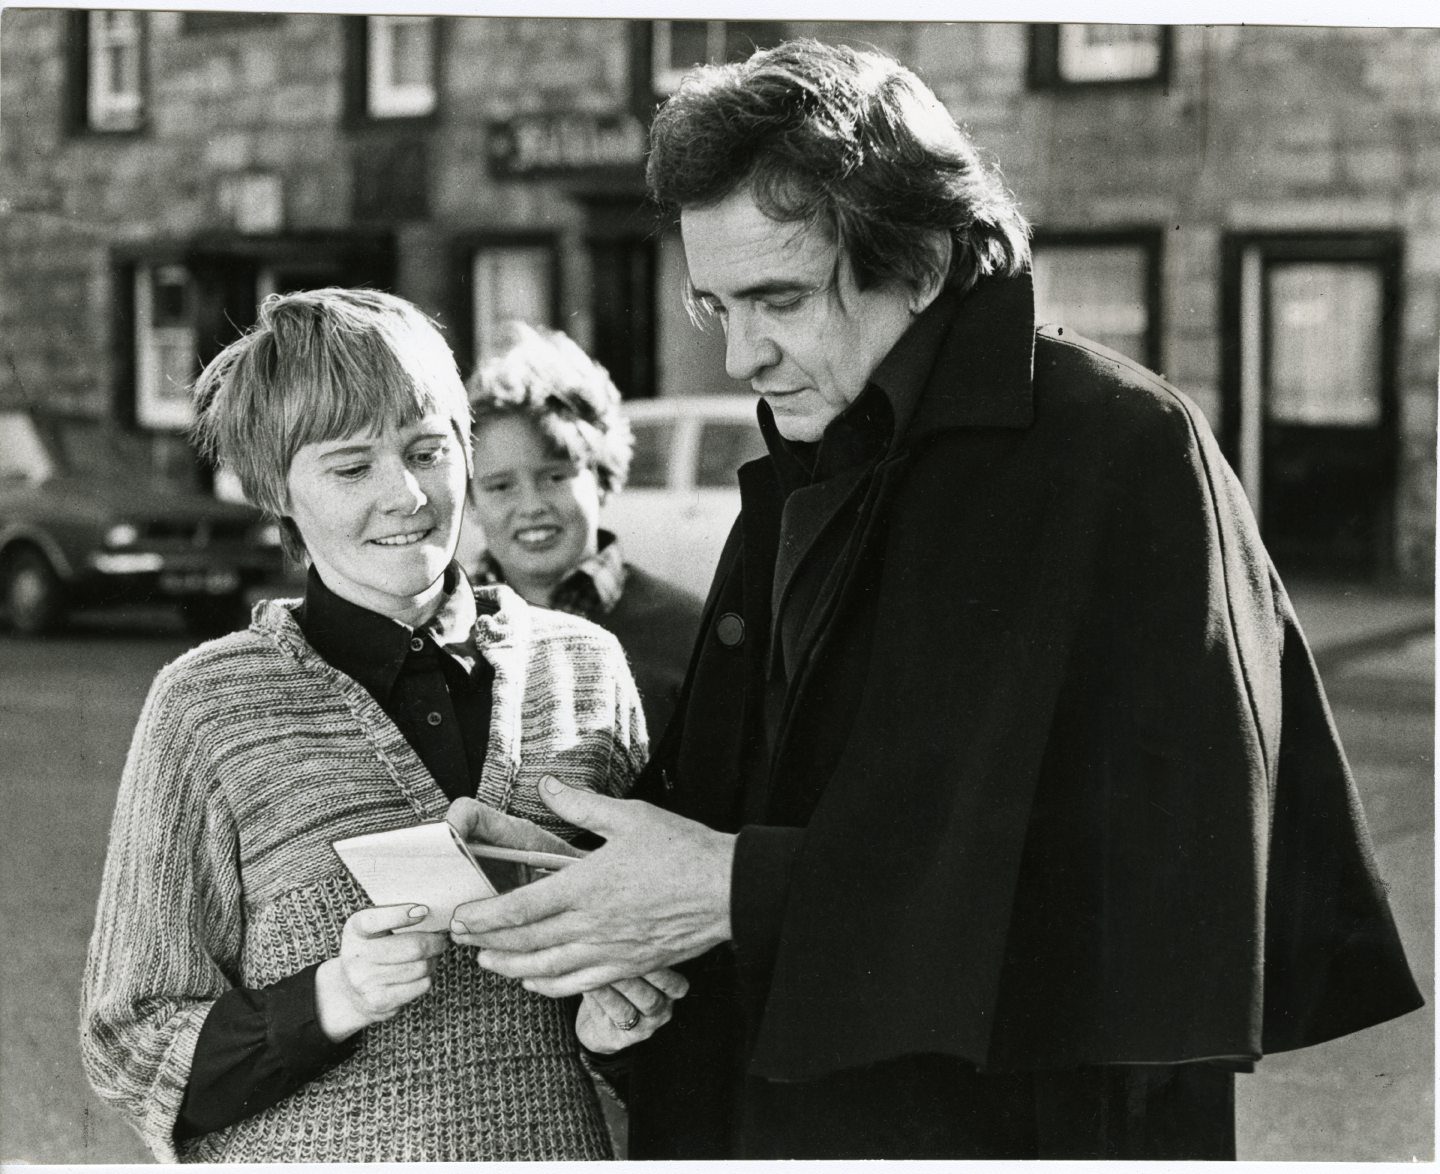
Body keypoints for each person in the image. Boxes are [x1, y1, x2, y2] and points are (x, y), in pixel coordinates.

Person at [447, 40, 1423, 1160]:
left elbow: (1173, 899)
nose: (743, 355)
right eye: (719, 306)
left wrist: (737, 891)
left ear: (916, 254)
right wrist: (608, 908)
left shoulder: (1123, 449)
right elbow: (760, 806)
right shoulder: (815, 445)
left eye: (781, 298)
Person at [79, 288, 682, 1163]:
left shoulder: (583, 667)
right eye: (351, 467)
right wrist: (330, 998)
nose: (405, 496)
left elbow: (676, 984)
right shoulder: (207, 710)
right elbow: (130, 1041)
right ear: (276, 492)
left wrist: (616, 1028)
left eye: (427, 450)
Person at [465, 323, 703, 738]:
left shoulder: (688, 631)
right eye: (501, 485)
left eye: (555, 476)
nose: (532, 506)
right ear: (470, 502)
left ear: (601, 475)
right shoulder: (441, 633)